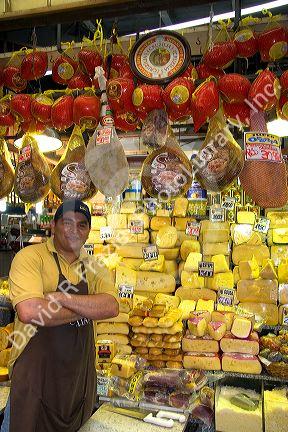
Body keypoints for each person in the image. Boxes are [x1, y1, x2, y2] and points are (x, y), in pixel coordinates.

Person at [1, 199, 119, 432]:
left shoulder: (95, 266)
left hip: (78, 384)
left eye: (82, 225)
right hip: (35, 383)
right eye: (67, 223)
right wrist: (86, 307)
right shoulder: (30, 258)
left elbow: (111, 306)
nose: (74, 230)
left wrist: (63, 299)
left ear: (88, 232)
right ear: (53, 226)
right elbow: (29, 311)